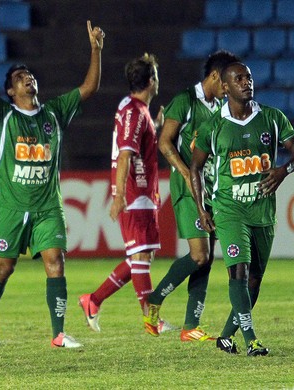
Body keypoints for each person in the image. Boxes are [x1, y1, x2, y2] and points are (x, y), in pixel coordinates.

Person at [0, 17, 103, 348]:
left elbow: (89, 89)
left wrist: (95, 48)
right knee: (4, 267)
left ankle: (58, 334)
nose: (28, 79)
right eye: (20, 78)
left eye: (29, 76)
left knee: (55, 262)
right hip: (11, 204)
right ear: (10, 91)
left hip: (47, 205)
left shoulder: (54, 114)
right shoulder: (4, 116)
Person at [190, 62, 294, 356]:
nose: (246, 83)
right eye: (239, 79)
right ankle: (251, 339)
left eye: (249, 77)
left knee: (254, 280)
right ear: (225, 87)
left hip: (262, 210)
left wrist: (284, 170)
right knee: (238, 273)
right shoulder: (213, 126)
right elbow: (195, 167)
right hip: (228, 208)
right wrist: (202, 208)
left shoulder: (271, 117)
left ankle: (226, 336)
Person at [144, 50, 240, 342]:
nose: (229, 89)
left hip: (209, 188)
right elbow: (164, 142)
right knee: (200, 255)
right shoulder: (186, 101)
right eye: (226, 83)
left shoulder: (220, 107)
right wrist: (187, 174)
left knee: (206, 258)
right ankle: (154, 300)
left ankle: (190, 326)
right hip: (188, 187)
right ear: (214, 76)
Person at [78, 53, 166, 335]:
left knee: (141, 258)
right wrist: (118, 196)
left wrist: (155, 126)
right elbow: (126, 153)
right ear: (151, 81)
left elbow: (135, 145)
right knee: (140, 258)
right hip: (134, 192)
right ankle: (151, 320)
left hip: (143, 191)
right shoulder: (133, 111)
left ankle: (93, 300)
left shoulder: (138, 111)